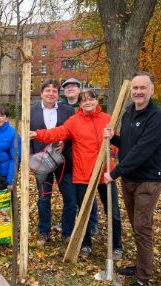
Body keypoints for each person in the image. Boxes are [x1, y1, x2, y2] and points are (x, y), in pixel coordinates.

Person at [29, 90, 123, 260]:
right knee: (84, 212)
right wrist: (37, 134)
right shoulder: (74, 121)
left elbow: (117, 142)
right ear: (79, 104)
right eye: (84, 101)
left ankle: (116, 246)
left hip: (105, 173)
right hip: (83, 174)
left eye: (90, 99)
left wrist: (113, 150)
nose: (87, 103)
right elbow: (57, 133)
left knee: (113, 211)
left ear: (96, 100)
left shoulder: (108, 119)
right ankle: (85, 244)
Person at [103, 71, 161, 286]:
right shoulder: (129, 112)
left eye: (143, 88)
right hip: (129, 178)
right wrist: (114, 138)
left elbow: (142, 151)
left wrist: (114, 173)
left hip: (148, 180)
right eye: (135, 88)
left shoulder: (158, 118)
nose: (138, 92)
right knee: (136, 224)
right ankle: (141, 265)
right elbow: (129, 146)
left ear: (152, 90)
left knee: (142, 227)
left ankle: (143, 280)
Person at [30, 79, 76, 246]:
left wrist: (66, 143)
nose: (50, 94)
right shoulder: (31, 111)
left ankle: (68, 232)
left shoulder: (68, 111)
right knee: (43, 198)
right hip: (41, 162)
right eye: (47, 90)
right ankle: (44, 232)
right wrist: (29, 157)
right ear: (41, 93)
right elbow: (27, 135)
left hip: (64, 160)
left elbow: (74, 134)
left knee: (70, 198)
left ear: (58, 94)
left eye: (54, 91)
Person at [56, 78, 100, 237]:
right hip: (67, 160)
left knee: (89, 196)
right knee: (69, 197)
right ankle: (68, 227)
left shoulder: (87, 106)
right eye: (67, 87)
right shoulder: (60, 108)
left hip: (86, 159)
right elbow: (61, 131)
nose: (70, 89)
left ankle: (92, 223)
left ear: (79, 89)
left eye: (74, 86)